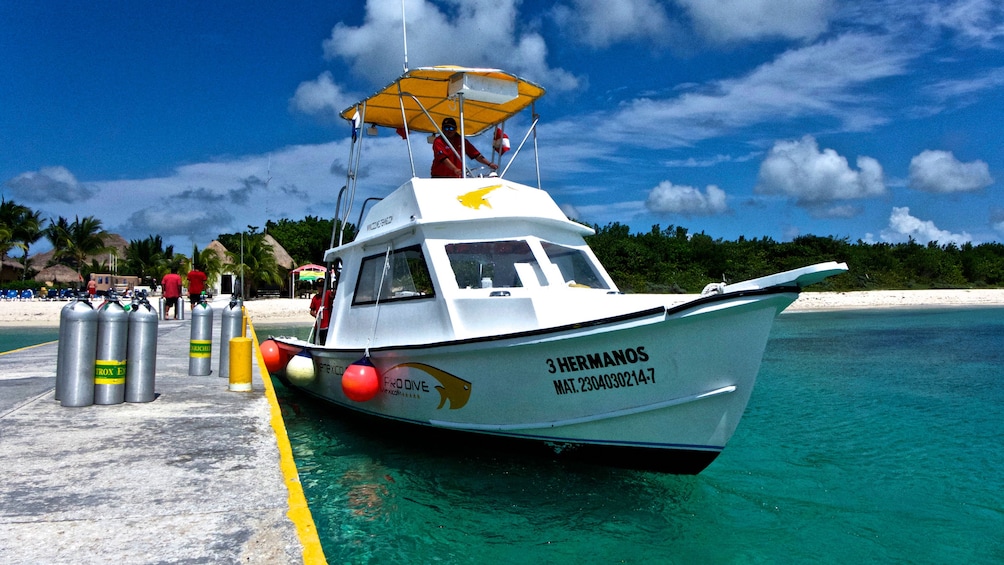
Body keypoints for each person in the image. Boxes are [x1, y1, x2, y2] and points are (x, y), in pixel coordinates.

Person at [431, 117, 498, 178]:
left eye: (451, 128)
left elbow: (476, 154)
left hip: (457, 177)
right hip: (439, 177)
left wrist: (489, 164)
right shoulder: (438, 141)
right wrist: (455, 169)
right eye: (446, 128)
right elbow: (443, 159)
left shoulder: (462, 141)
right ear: (442, 129)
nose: (449, 130)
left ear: (455, 129)